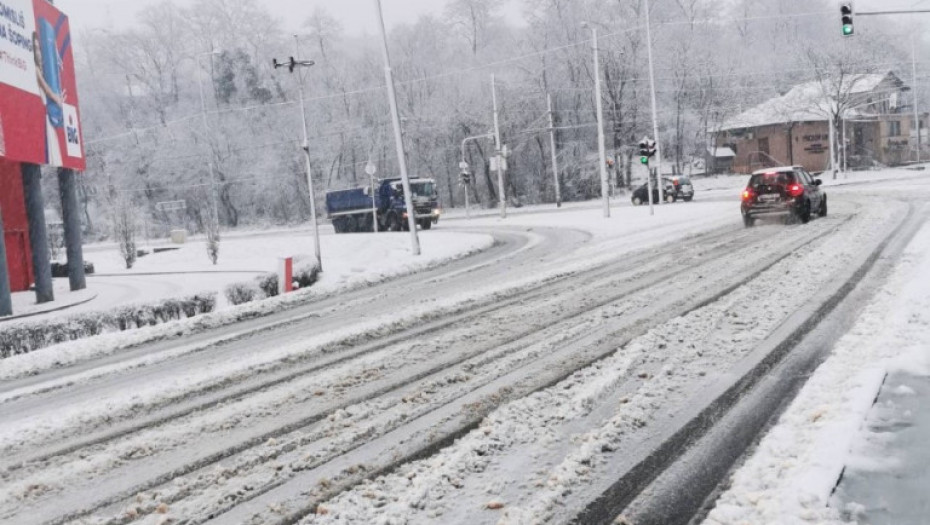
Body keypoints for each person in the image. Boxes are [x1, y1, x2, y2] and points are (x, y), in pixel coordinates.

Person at [33, 30, 65, 166]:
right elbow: (46, 88)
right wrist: (56, 98)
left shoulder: (44, 69)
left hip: (48, 120)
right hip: (43, 120)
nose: (38, 53)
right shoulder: (35, 69)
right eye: (35, 49)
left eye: (39, 48)